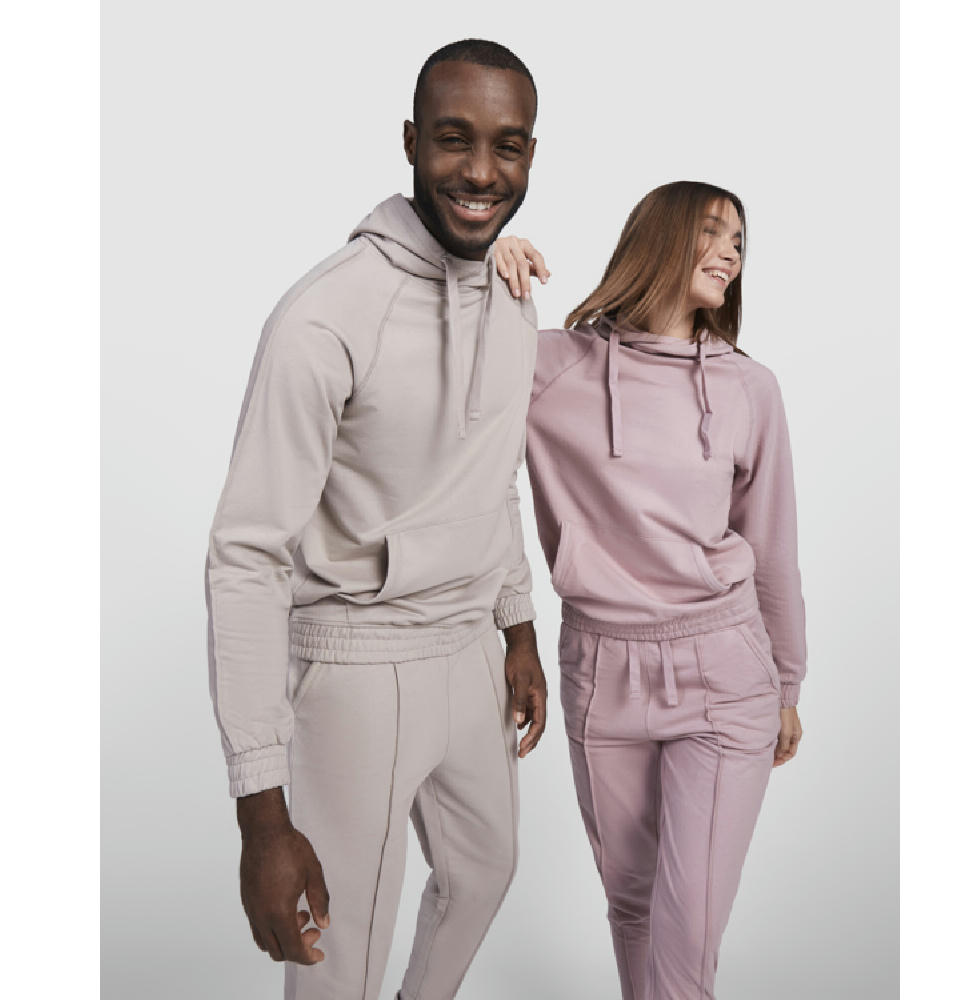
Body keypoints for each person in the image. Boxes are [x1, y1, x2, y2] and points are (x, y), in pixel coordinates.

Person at [205, 39, 548, 1000]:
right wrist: (261, 815)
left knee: (485, 871)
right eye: (453, 139)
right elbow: (246, 555)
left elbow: (494, 472)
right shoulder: (324, 317)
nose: (480, 171)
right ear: (409, 141)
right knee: (339, 951)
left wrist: (518, 625)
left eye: (507, 146)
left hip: (469, 651)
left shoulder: (513, 297)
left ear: (531, 154)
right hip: (358, 661)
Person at [496, 180, 806, 999]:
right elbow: (444, 360)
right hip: (600, 667)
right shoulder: (551, 366)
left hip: (724, 666)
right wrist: (484, 268)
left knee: (688, 924)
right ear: (659, 239)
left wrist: (788, 681)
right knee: (631, 905)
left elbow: (772, 547)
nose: (731, 253)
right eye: (713, 232)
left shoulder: (748, 388)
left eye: (740, 241)